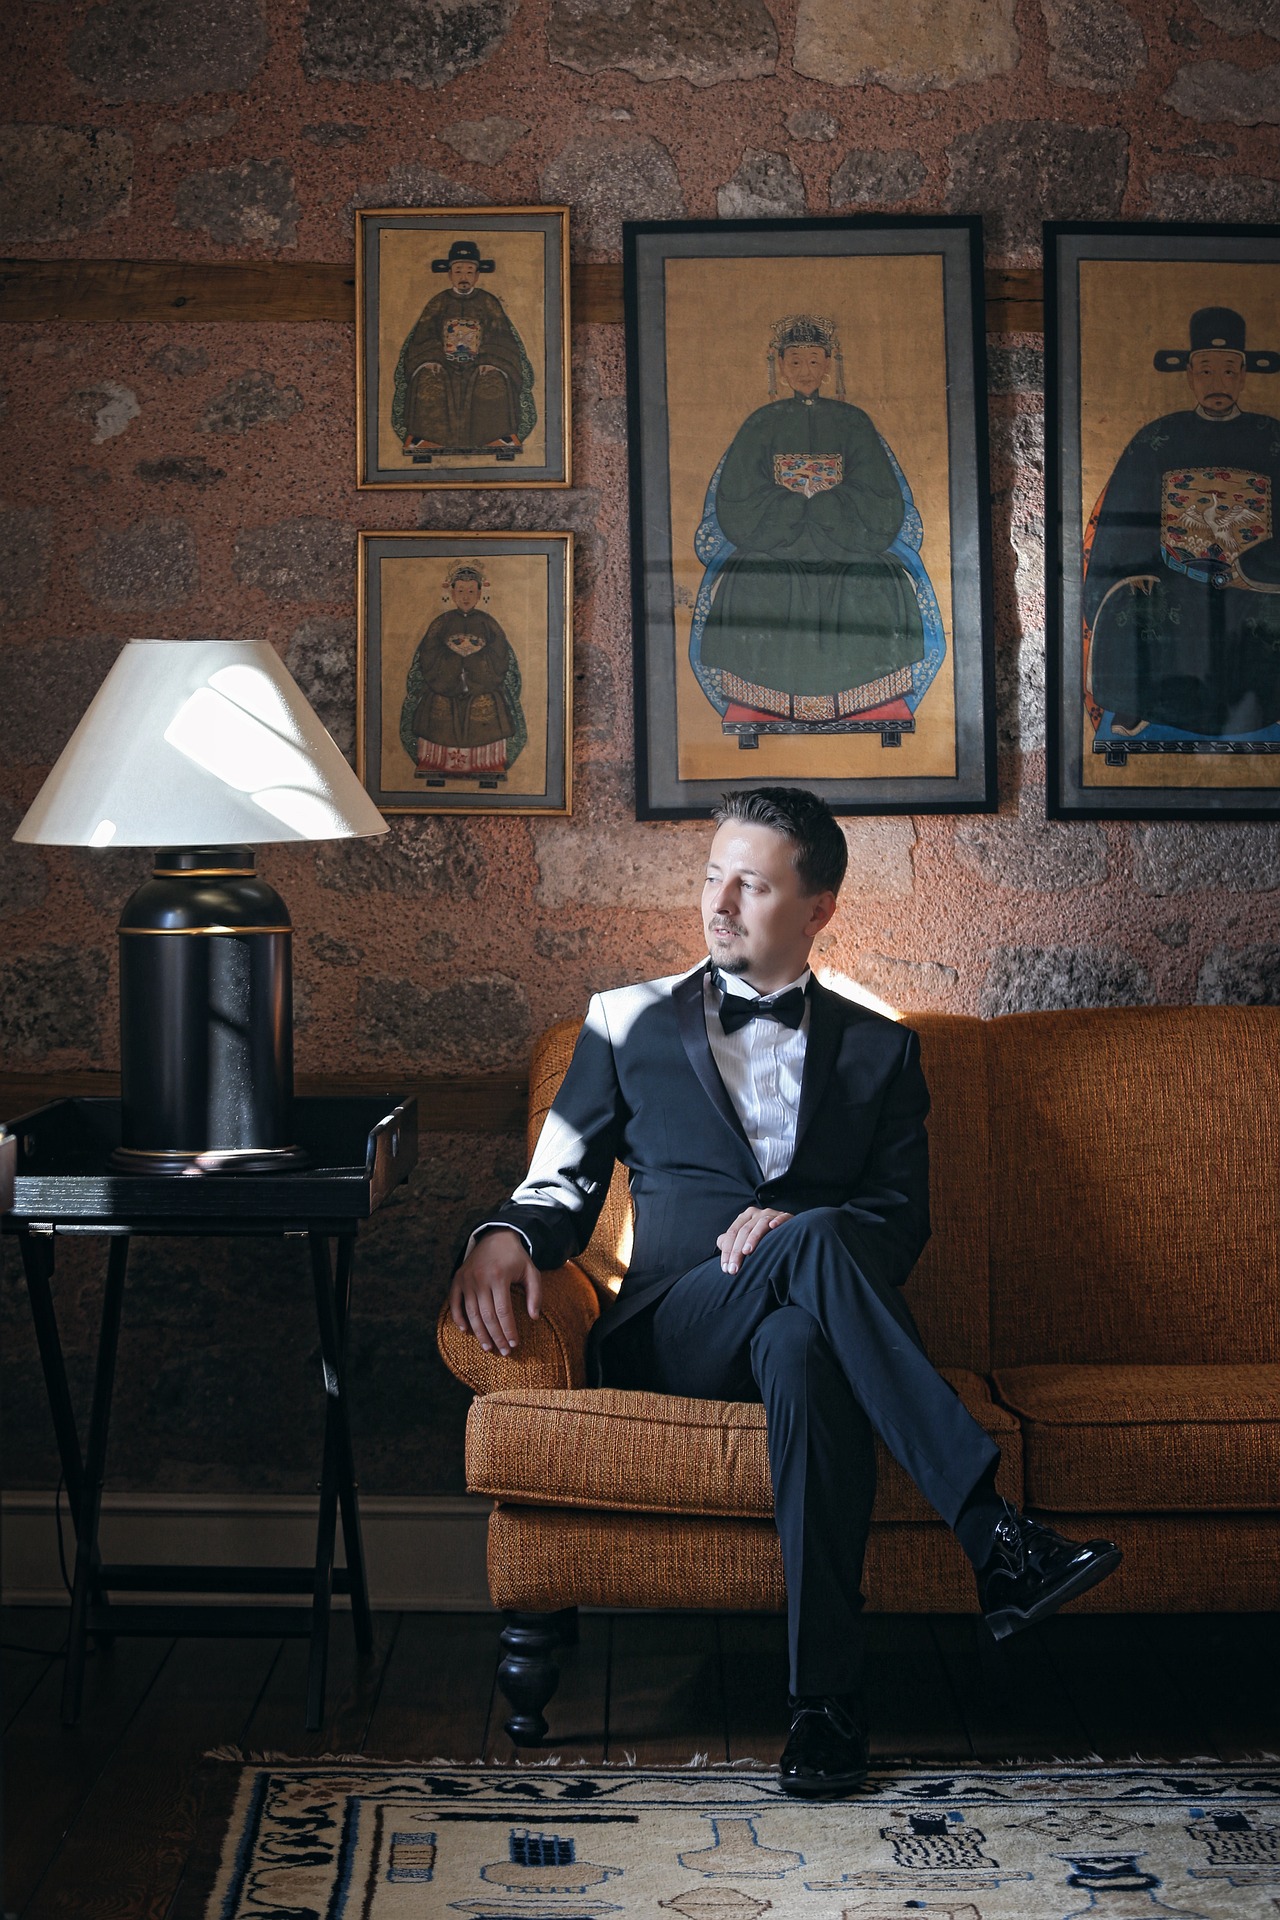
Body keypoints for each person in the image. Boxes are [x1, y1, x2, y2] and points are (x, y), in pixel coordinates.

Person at [449, 786, 1122, 1798]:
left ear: (817, 911)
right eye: (711, 877)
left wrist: (812, 1230)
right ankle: (991, 1532)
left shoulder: (882, 1050)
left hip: (801, 1329)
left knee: (804, 1348)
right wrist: (503, 1233)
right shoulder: (623, 1023)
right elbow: (561, 1185)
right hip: (676, 1330)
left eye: (751, 885)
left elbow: (898, 1227)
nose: (718, 902)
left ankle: (824, 1708)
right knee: (807, 1256)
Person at [696, 317, 929, 724]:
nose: (805, 372)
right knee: (751, 579)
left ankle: (863, 703)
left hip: (845, 539)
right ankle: (765, 705)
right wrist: (788, 502)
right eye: (796, 362)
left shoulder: (854, 421)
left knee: (875, 577)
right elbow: (737, 495)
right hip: (775, 539)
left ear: (828, 365)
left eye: (814, 362)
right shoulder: (760, 423)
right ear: (780, 366)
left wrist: (826, 501)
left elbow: (878, 494)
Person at [1085, 306, 1280, 739]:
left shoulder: (1272, 437)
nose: (1217, 383)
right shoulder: (1159, 438)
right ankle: (1138, 703)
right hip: (1173, 575)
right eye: (1206, 371)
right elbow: (1125, 514)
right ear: (1190, 374)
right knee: (1135, 606)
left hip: (1255, 578)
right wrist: (1133, 569)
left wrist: (1254, 565)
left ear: (1244, 376)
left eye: (1229, 372)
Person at [391, 239, 535, 459]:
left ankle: (497, 437)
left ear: (477, 275)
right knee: (428, 375)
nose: (464, 276)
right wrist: (430, 358)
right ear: (450, 274)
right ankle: (425, 439)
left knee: (494, 377)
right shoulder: (437, 302)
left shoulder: (489, 303)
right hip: (442, 362)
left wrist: (490, 360)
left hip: (481, 362)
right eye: (458, 271)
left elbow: (502, 339)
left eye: (470, 271)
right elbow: (422, 337)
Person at [399, 565, 524, 783]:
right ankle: (436, 768)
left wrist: (476, 656)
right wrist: (454, 657)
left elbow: (501, 655)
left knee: (486, 709)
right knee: (439, 710)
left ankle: (487, 768)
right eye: (461, 591)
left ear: (479, 594)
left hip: (482, 688)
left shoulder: (489, 623)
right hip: (444, 687)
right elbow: (428, 653)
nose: (466, 597)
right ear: (452, 592)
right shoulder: (441, 623)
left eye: (471, 592)